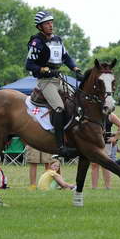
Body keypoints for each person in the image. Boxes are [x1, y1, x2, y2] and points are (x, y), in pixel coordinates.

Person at [25, 10, 82, 157]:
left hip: (58, 78)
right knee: (59, 108)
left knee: (76, 101)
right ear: (40, 27)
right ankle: (60, 146)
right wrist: (45, 70)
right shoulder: (37, 42)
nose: (50, 25)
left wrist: (76, 69)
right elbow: (29, 65)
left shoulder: (58, 40)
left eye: (51, 23)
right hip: (45, 81)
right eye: (47, 24)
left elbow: (66, 57)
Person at [91, 113, 120, 189]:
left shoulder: (110, 115)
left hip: (105, 143)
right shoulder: (92, 112)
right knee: (94, 164)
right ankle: (94, 188)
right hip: (94, 142)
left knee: (105, 165)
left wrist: (115, 138)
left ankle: (108, 187)